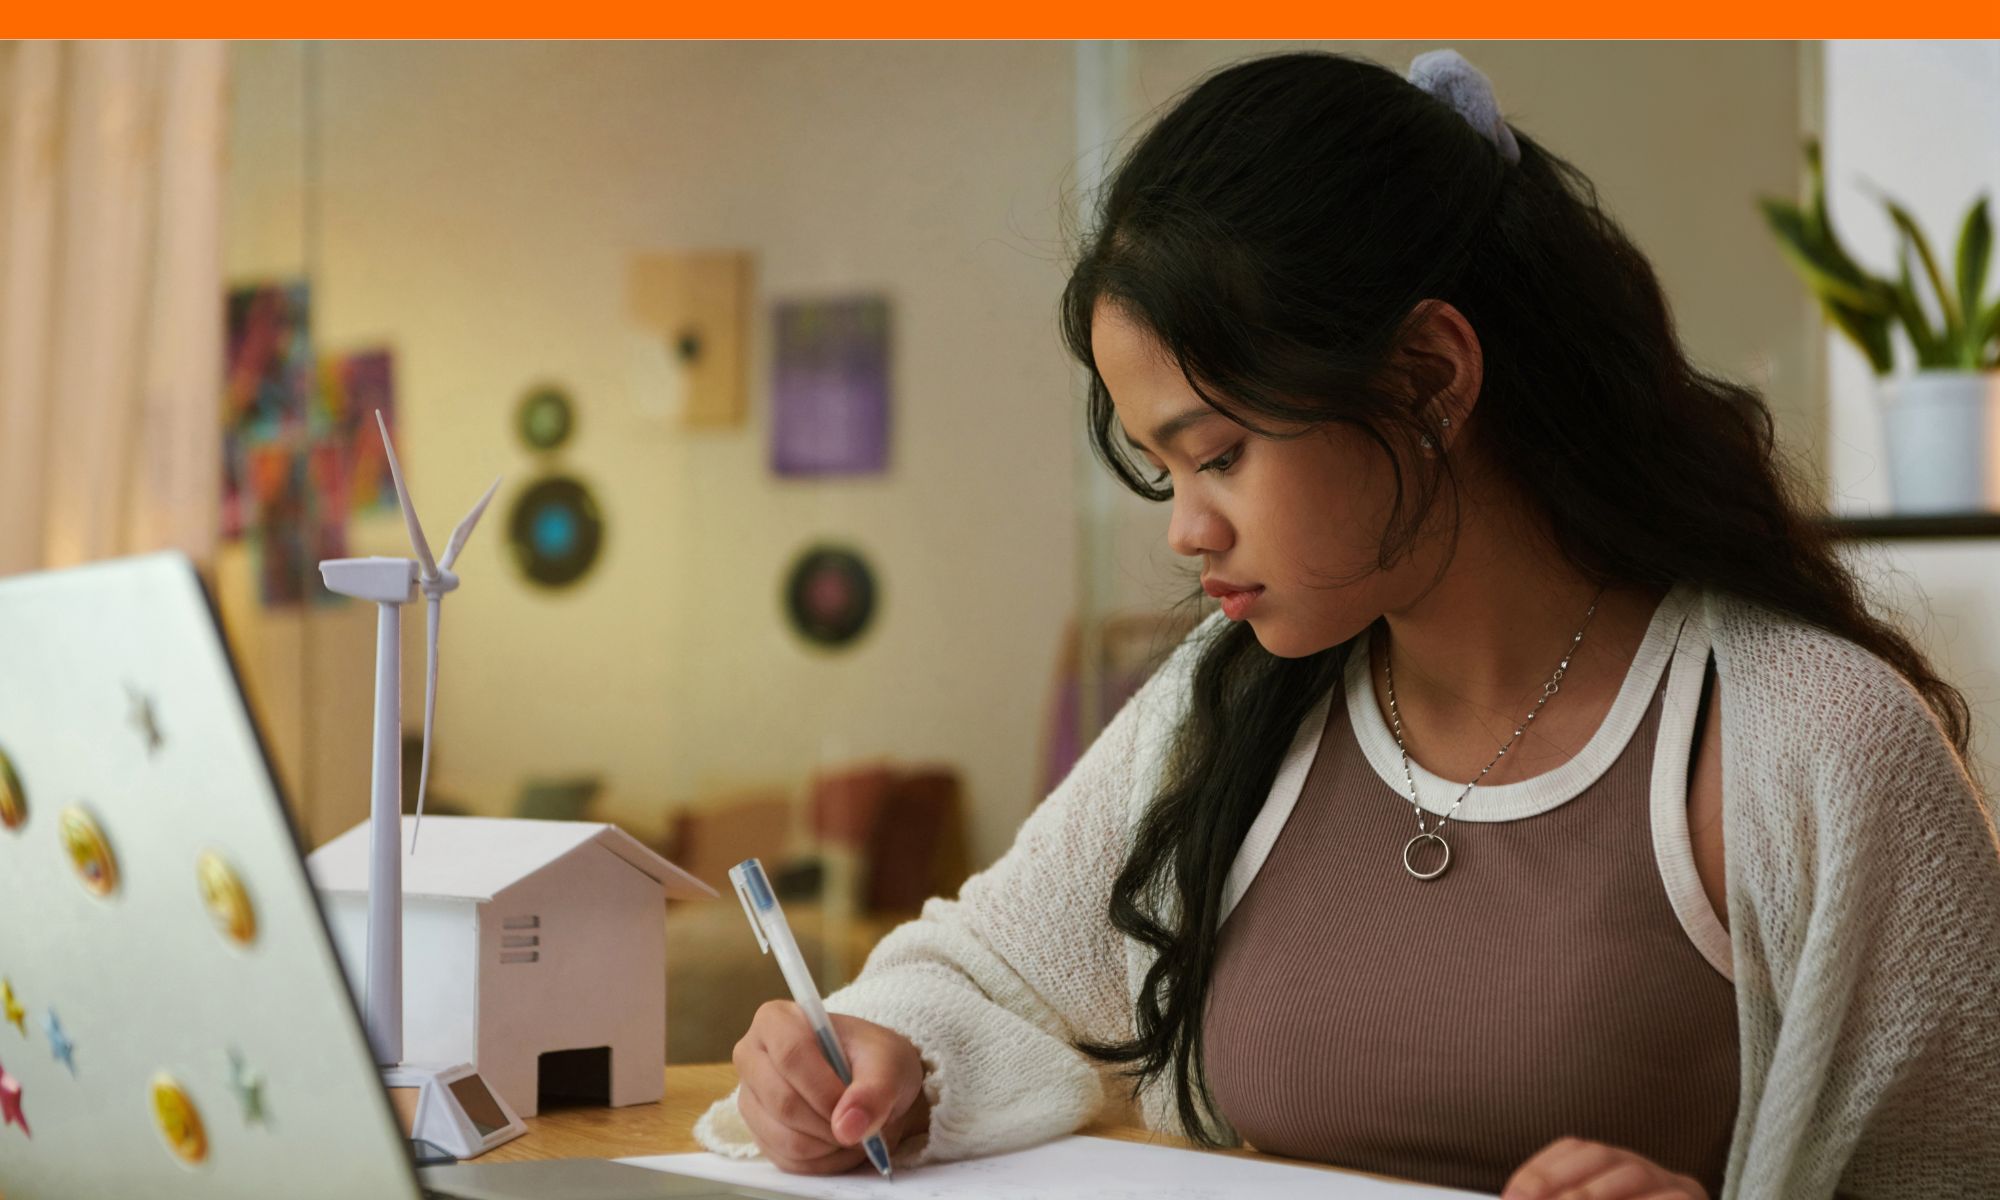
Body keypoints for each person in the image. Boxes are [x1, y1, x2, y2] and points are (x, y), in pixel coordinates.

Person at [696, 49, 2000, 1199]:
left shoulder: (1803, 745)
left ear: (1431, 379)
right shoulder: (1229, 705)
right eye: (1163, 472)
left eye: (1219, 456)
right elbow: (987, 975)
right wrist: (878, 1055)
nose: (1185, 531)